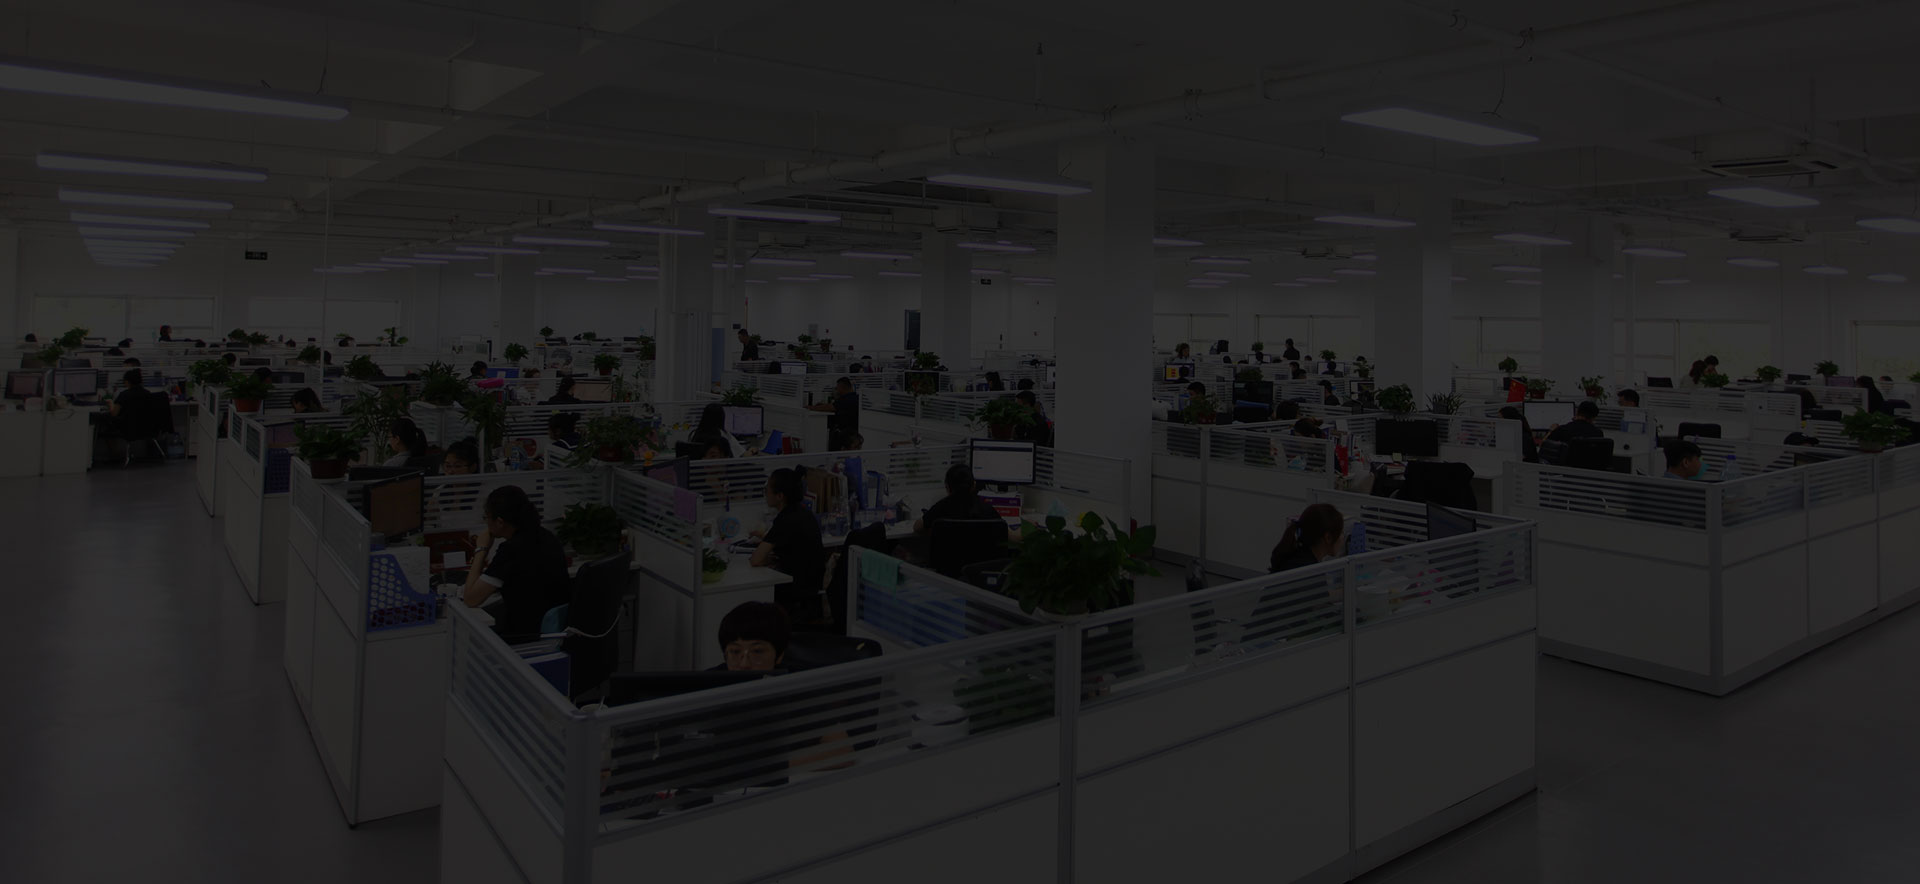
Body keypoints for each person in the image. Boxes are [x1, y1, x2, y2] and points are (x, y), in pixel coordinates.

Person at [463, 485, 570, 641]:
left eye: (486, 517)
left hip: (525, 634)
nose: (486, 522)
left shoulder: (511, 550)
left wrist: (481, 549)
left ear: (499, 522)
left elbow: (470, 599)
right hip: (552, 629)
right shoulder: (546, 536)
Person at [750, 468, 827, 619]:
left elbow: (755, 560)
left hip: (795, 592)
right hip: (811, 588)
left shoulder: (785, 519)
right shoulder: (803, 512)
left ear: (780, 496)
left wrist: (767, 559)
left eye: (767, 490)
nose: (766, 494)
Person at [914, 464, 1002, 537]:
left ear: (947, 487)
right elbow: (1008, 535)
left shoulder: (941, 507)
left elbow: (917, 528)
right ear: (974, 485)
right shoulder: (986, 509)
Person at [718, 601, 790, 672]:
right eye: (735, 651)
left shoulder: (794, 677)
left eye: (757, 651)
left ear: (779, 656)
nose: (744, 665)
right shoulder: (713, 678)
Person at [1269, 503, 1343, 573]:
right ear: (1328, 538)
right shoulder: (1311, 572)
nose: (1342, 537)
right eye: (1341, 533)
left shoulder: (1296, 557)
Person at [807, 377, 860, 451]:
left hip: (845, 433)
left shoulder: (846, 399)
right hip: (854, 430)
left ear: (841, 387)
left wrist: (811, 407)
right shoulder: (857, 397)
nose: (836, 390)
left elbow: (830, 407)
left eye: (837, 388)